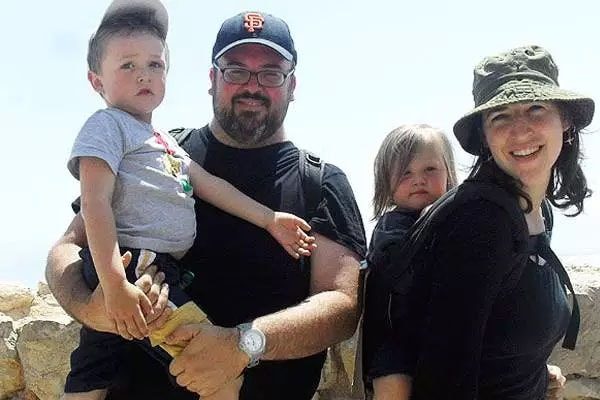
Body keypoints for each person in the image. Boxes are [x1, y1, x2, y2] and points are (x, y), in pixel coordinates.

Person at [46, 9, 367, 400]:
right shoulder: (153, 152)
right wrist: (92, 308)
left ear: (292, 84)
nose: (253, 85)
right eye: (235, 70)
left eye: (270, 72)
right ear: (212, 79)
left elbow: (341, 306)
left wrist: (244, 344)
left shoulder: (319, 182)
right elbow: (66, 248)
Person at [387, 45, 593, 399]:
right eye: (500, 116)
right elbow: (444, 378)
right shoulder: (481, 223)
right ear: (484, 135)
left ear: (566, 120)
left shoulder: (534, 211)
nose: (520, 130)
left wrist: (534, 374)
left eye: (535, 108)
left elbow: (494, 338)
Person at [361, 124, 458, 400]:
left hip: (440, 337)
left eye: (430, 170)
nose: (419, 180)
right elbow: (399, 264)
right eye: (406, 173)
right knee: (394, 385)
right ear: (386, 183)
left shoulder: (457, 222)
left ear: (449, 174)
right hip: (396, 338)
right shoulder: (391, 225)